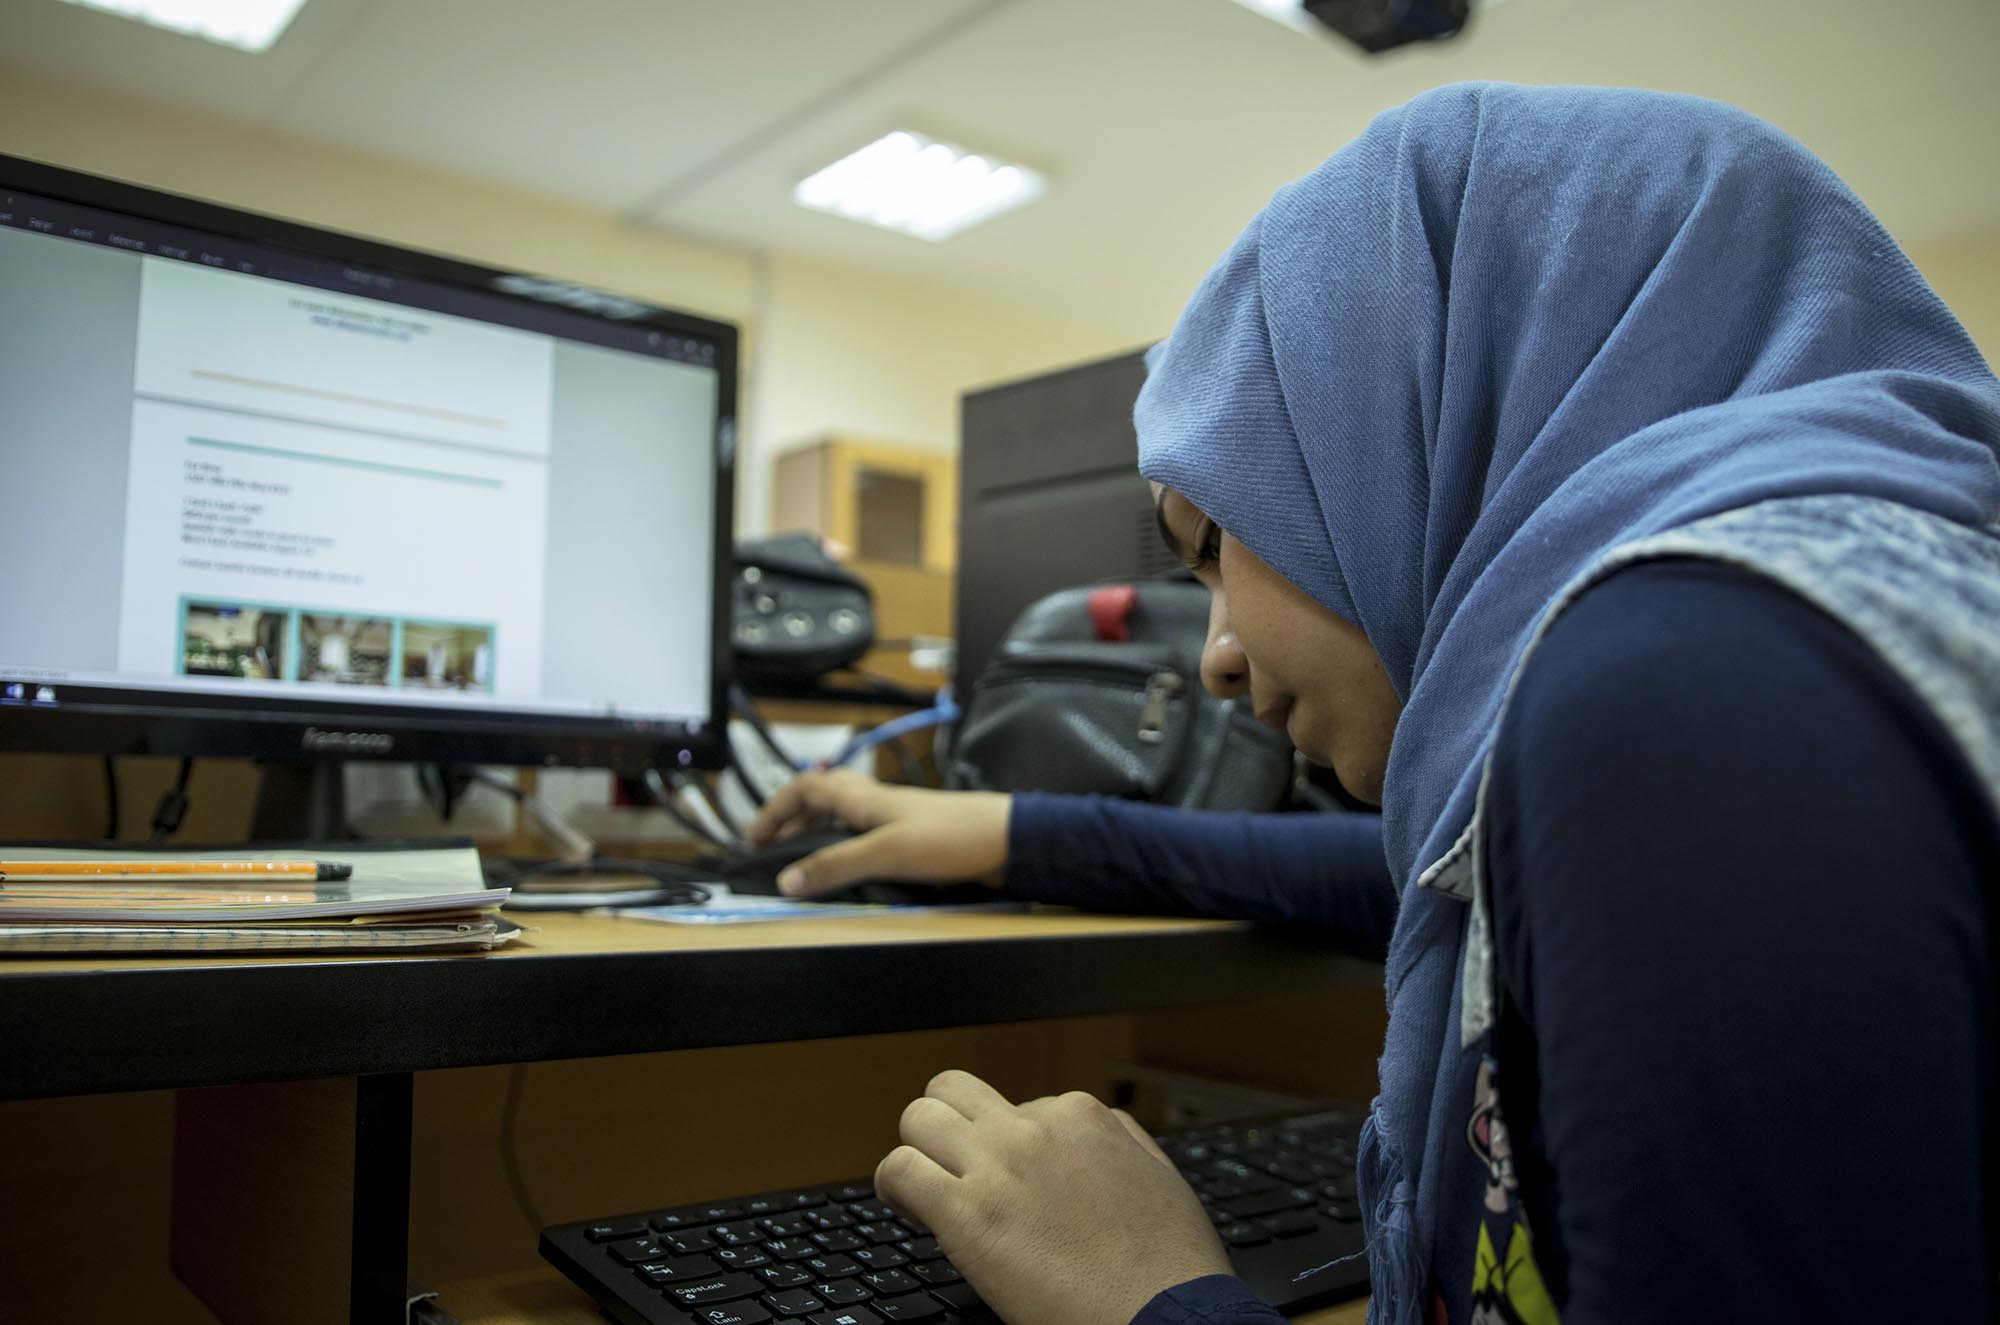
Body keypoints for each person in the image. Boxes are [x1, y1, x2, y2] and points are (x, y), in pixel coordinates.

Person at [750, 83, 2000, 1325]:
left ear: (1388, 431)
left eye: (1216, 542)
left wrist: (1147, 1293)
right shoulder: (1811, 621)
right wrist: (1012, 832)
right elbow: (1404, 879)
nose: (1213, 657)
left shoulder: (1687, 691)